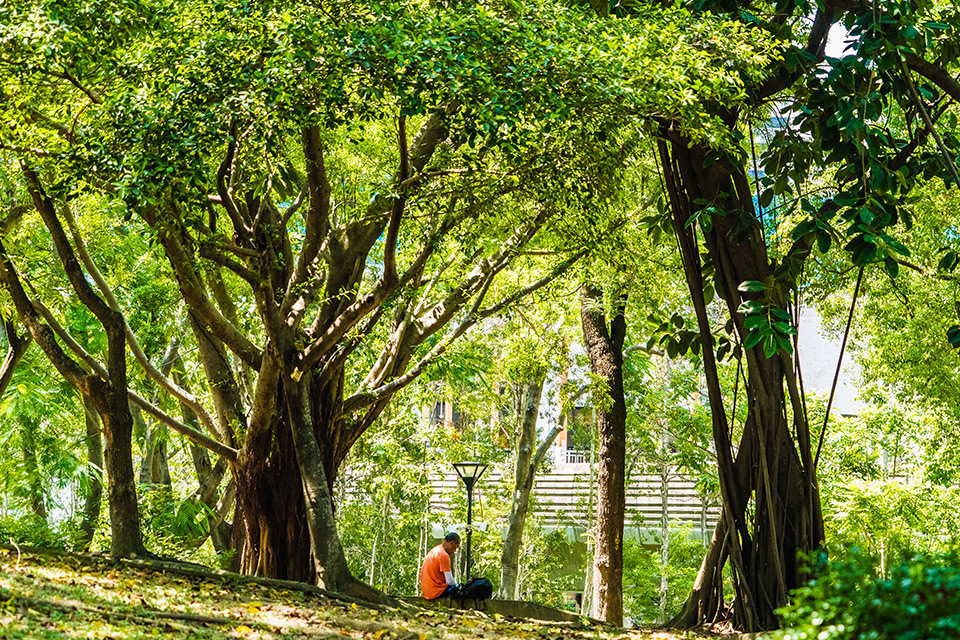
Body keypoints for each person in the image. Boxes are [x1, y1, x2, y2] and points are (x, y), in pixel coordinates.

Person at [420, 532, 461, 599]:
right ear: (452, 543)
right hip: (436, 592)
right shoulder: (443, 555)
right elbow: (449, 581)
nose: (454, 551)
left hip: (427, 592)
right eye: (455, 548)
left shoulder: (435, 550)